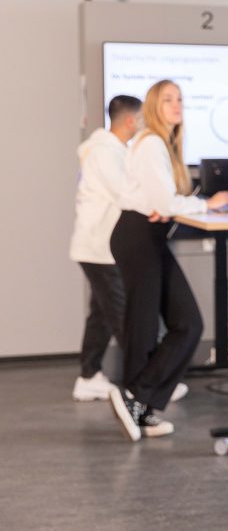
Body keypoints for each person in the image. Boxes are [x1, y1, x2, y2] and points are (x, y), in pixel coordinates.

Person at [108, 80, 228, 441]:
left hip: (147, 236)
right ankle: (135, 399)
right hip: (137, 237)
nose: (176, 104)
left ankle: (139, 403)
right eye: (168, 99)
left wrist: (170, 206)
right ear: (152, 106)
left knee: (185, 323)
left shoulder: (162, 144)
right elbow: (164, 203)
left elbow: (162, 200)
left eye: (179, 98)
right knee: (147, 326)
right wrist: (208, 203)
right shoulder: (150, 144)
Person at [68, 96, 142, 401]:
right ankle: (151, 380)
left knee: (101, 314)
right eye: (142, 120)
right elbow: (127, 194)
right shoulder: (105, 153)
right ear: (130, 121)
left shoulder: (108, 149)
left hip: (97, 247)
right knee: (123, 314)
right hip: (99, 247)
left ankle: (89, 376)